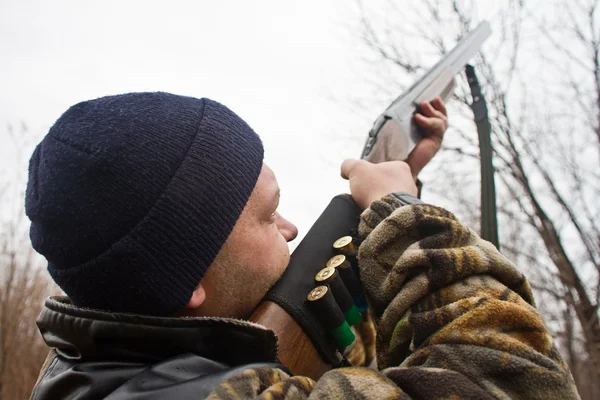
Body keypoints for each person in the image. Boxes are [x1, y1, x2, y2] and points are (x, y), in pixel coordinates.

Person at [27, 92, 578, 399]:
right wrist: (410, 219)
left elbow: (347, 365)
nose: (291, 227)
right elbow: (522, 384)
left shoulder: (89, 370)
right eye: (268, 216)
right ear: (187, 282)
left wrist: (397, 183)